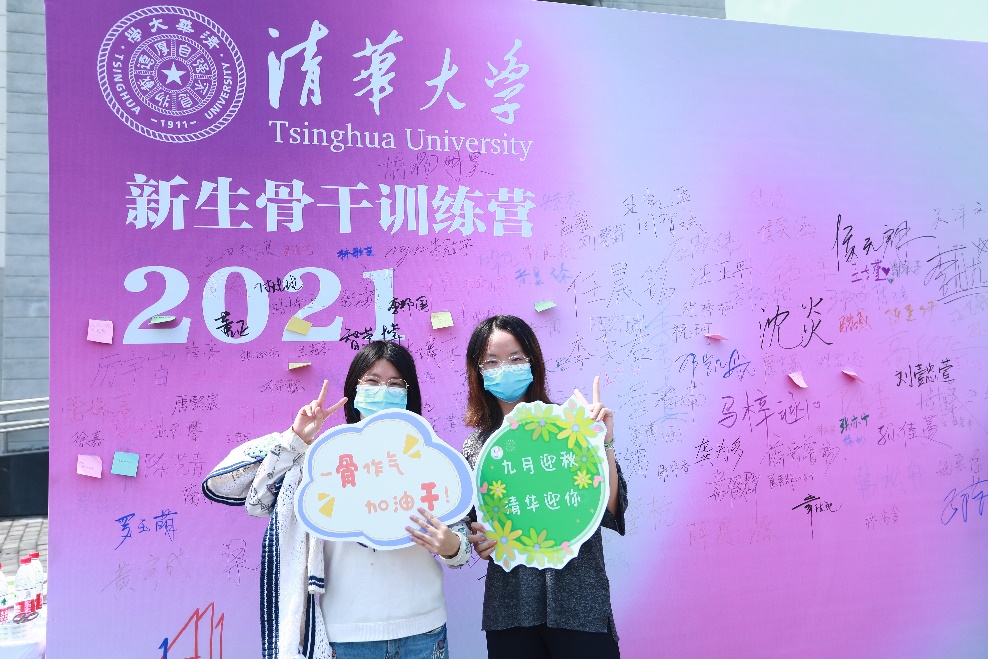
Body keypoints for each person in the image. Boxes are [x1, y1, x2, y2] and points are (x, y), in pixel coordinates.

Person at [202, 341, 471, 659]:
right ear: (354, 390)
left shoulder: (428, 455)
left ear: (408, 395)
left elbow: (460, 545)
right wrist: (296, 439)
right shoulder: (325, 459)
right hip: (347, 636)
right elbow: (256, 499)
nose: (383, 391)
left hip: (423, 631)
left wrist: (451, 546)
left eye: (395, 384)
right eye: (372, 381)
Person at [457, 314, 628, 659]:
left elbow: (611, 510)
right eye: (492, 362)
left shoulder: (570, 425)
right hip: (511, 611)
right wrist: (480, 541)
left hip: (580, 605)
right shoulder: (478, 448)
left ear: (533, 363)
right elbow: (474, 527)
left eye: (515, 358)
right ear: (478, 372)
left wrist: (604, 443)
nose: (505, 368)